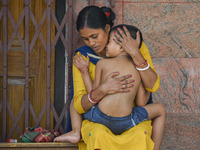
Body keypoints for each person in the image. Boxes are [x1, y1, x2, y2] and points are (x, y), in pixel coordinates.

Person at [54, 5, 162, 150]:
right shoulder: (83, 56)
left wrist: (135, 54)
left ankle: (76, 132)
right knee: (98, 133)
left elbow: (153, 86)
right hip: (103, 121)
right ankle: (77, 132)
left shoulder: (133, 46)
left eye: (94, 36)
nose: (91, 43)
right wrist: (104, 89)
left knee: (139, 135)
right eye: (85, 39)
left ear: (106, 28)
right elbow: (80, 104)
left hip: (128, 119)